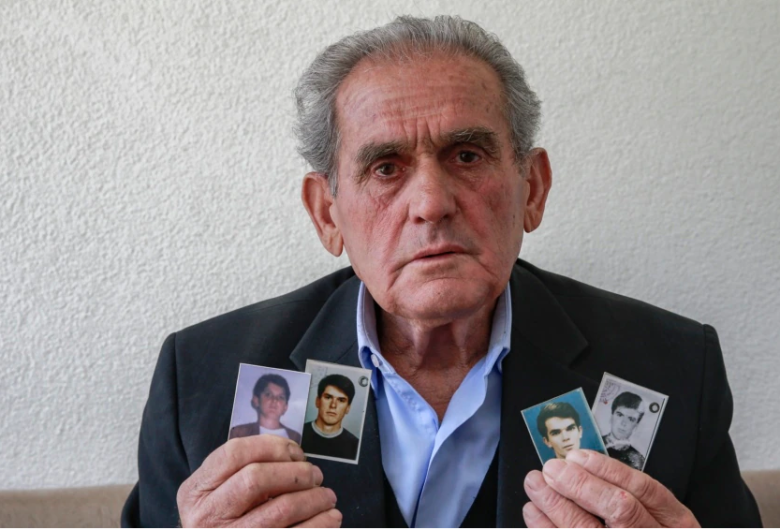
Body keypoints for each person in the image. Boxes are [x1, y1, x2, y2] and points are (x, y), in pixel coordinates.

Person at [122, 15, 762, 528]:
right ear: (327, 214)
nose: (431, 203)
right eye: (385, 168)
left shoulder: (674, 369)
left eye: (467, 155)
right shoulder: (202, 380)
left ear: (532, 189)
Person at [228, 373, 302, 444]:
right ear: (256, 401)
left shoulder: (295, 437)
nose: (274, 400)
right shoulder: (239, 433)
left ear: (285, 407)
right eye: (268, 394)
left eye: (280, 397)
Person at [301, 374, 360, 460]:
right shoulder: (297, 434)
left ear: (348, 408)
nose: (333, 405)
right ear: (317, 401)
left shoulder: (355, 445)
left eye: (341, 400)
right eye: (328, 397)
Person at [602, 392, 646, 470]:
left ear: (636, 425)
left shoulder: (639, 461)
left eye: (631, 419)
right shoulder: (593, 441)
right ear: (611, 416)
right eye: (620, 415)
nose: (623, 423)